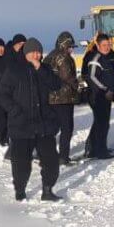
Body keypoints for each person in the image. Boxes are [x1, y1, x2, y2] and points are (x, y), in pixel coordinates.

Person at [0, 37, 63, 202]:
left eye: (39, 51)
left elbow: (56, 85)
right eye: (33, 51)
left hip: (44, 125)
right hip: (21, 125)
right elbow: (2, 94)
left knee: (51, 161)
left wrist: (40, 68)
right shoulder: (14, 70)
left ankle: (47, 190)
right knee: (21, 163)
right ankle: (20, 190)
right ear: (26, 53)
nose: (36, 54)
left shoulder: (45, 69)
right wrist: (14, 110)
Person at [45, 31, 80, 164]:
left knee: (53, 127)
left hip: (51, 97)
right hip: (64, 98)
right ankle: (63, 157)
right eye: (70, 46)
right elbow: (67, 76)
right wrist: (77, 85)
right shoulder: (64, 57)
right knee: (67, 128)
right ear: (63, 45)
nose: (71, 49)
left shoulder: (50, 56)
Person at [84, 33, 114, 159]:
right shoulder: (96, 59)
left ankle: (98, 148)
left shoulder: (109, 58)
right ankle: (98, 150)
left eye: (108, 45)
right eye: (104, 45)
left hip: (107, 96)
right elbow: (91, 77)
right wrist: (105, 90)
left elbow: (113, 75)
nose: (107, 47)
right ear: (98, 46)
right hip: (98, 96)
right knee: (101, 124)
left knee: (103, 123)